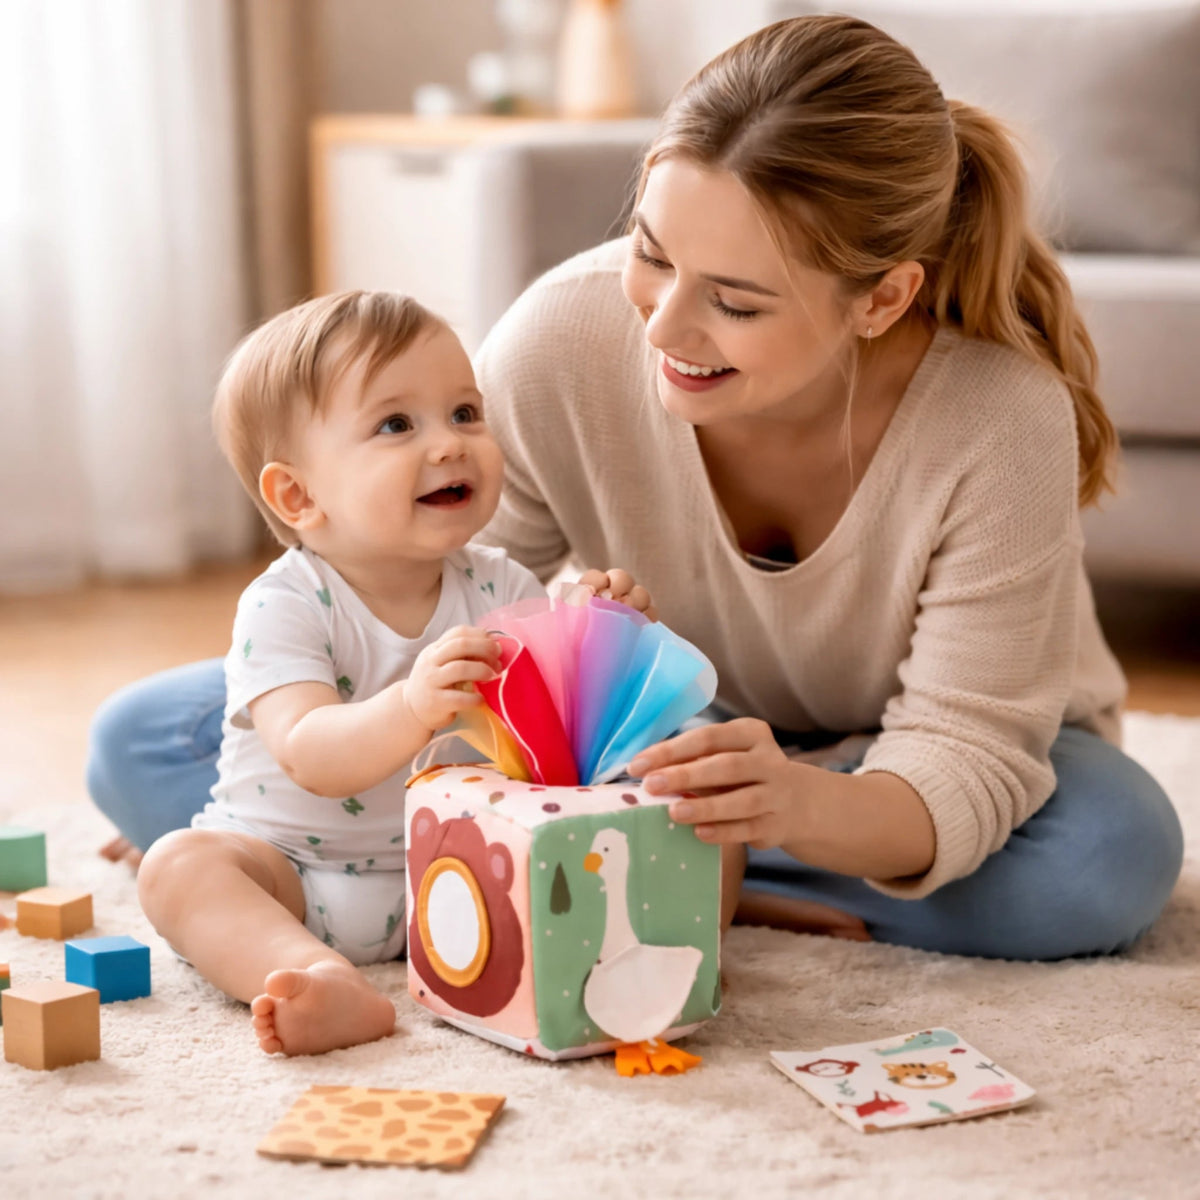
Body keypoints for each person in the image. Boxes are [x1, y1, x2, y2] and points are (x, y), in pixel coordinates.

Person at [93, 15, 1182, 963]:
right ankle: (679, 872)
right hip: (647, 747)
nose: (660, 328)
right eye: (652, 253)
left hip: (878, 769)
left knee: (1104, 859)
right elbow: (455, 601)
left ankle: (702, 866)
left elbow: (969, 753)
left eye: (737, 302)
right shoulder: (567, 336)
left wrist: (797, 803)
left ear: (883, 299)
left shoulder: (997, 418)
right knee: (144, 737)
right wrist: (538, 648)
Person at [134, 290, 653, 1057]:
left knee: (653, 800)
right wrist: (411, 705)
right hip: (294, 874)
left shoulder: (503, 585)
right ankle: (311, 974)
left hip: (463, 871)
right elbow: (310, 751)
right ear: (298, 495)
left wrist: (596, 632)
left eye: (465, 413)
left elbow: (557, 747)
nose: (449, 445)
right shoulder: (284, 603)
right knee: (178, 867)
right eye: (396, 425)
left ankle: (645, 952)